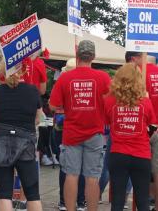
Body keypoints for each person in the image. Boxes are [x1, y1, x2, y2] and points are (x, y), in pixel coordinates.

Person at [49, 40, 110, 211]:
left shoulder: (65, 78)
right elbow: (111, 101)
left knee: (71, 175)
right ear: (94, 57)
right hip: (95, 135)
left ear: (77, 56)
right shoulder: (103, 77)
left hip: (71, 134)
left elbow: (53, 106)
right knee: (92, 178)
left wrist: (68, 105)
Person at [0, 61, 43, 211]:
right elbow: (38, 119)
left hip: (0, 143)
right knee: (32, 194)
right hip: (26, 143)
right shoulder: (32, 91)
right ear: (23, 70)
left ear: (2, 72)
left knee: (4, 193)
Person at [104, 63, 156, 211]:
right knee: (142, 201)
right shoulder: (145, 102)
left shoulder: (109, 100)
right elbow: (153, 126)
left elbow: (107, 123)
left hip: (118, 154)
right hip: (141, 154)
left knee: (117, 201)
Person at [125, 51, 158, 211]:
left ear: (134, 58)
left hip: (140, 129)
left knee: (140, 168)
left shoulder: (136, 74)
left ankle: (142, 205)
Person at [52, 58, 86, 211]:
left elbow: (53, 105)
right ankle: (80, 201)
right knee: (83, 167)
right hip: (81, 127)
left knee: (65, 167)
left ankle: (64, 201)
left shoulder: (61, 83)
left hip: (63, 128)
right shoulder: (84, 85)